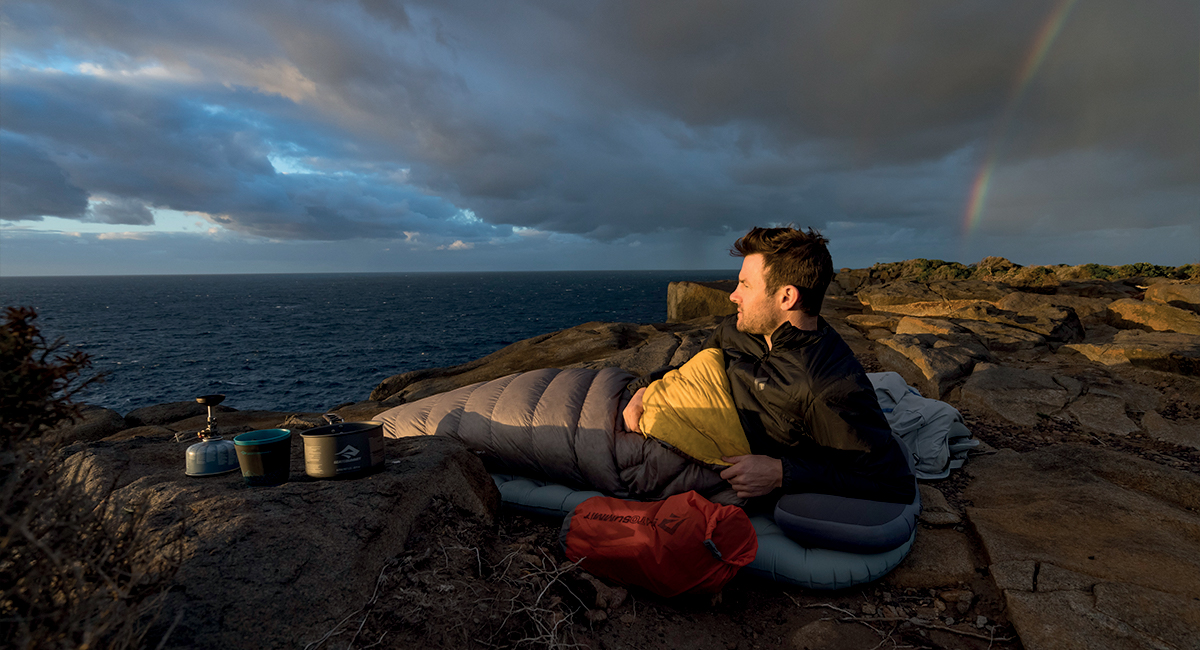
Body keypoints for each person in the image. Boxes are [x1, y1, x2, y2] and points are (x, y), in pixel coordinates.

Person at [623, 226, 916, 504]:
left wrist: (781, 473)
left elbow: (894, 484)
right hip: (655, 410)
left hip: (687, 452)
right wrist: (644, 388)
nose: (732, 295)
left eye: (745, 285)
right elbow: (691, 370)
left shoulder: (828, 386)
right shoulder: (735, 330)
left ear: (787, 297)